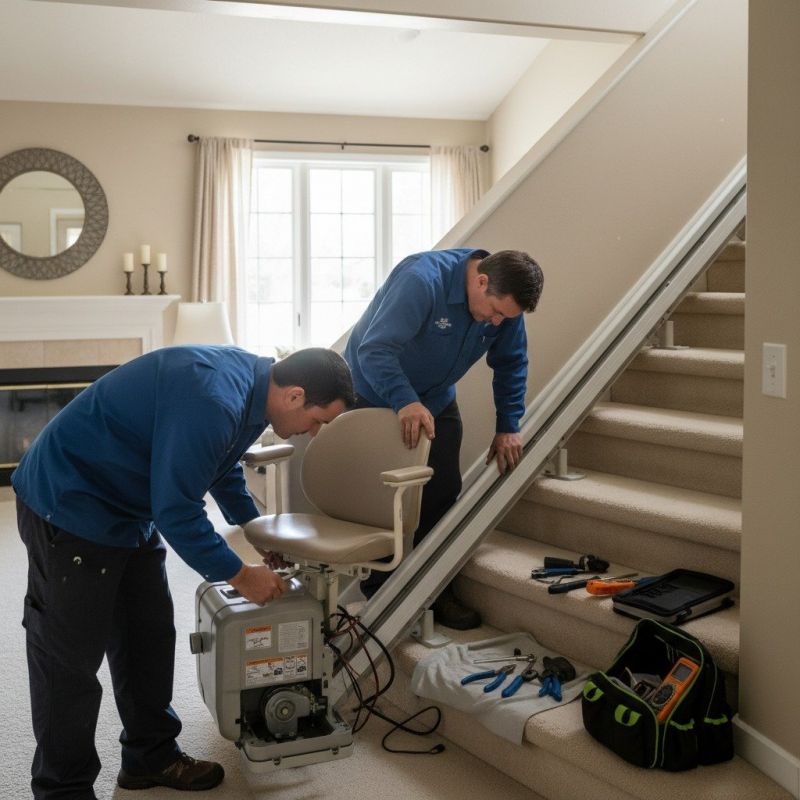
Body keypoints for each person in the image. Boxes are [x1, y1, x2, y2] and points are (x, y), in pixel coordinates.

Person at [12, 345, 354, 800]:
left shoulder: (252, 388)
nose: (313, 433)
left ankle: (149, 756)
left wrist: (254, 531)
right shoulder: (214, 398)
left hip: (129, 507)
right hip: (70, 503)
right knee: (69, 660)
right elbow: (177, 512)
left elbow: (220, 463)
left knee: (148, 635)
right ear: (295, 396)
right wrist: (239, 574)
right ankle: (61, 790)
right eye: (318, 420)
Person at [344, 248, 543, 629]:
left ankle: (435, 592)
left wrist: (508, 425)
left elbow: (511, 362)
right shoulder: (421, 281)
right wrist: (404, 401)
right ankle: (383, 591)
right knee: (382, 498)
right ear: (481, 281)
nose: (498, 321)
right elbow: (375, 349)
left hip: (435, 400)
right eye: (496, 311)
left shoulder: (504, 308)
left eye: (507, 317)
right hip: (374, 392)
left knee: (442, 491)